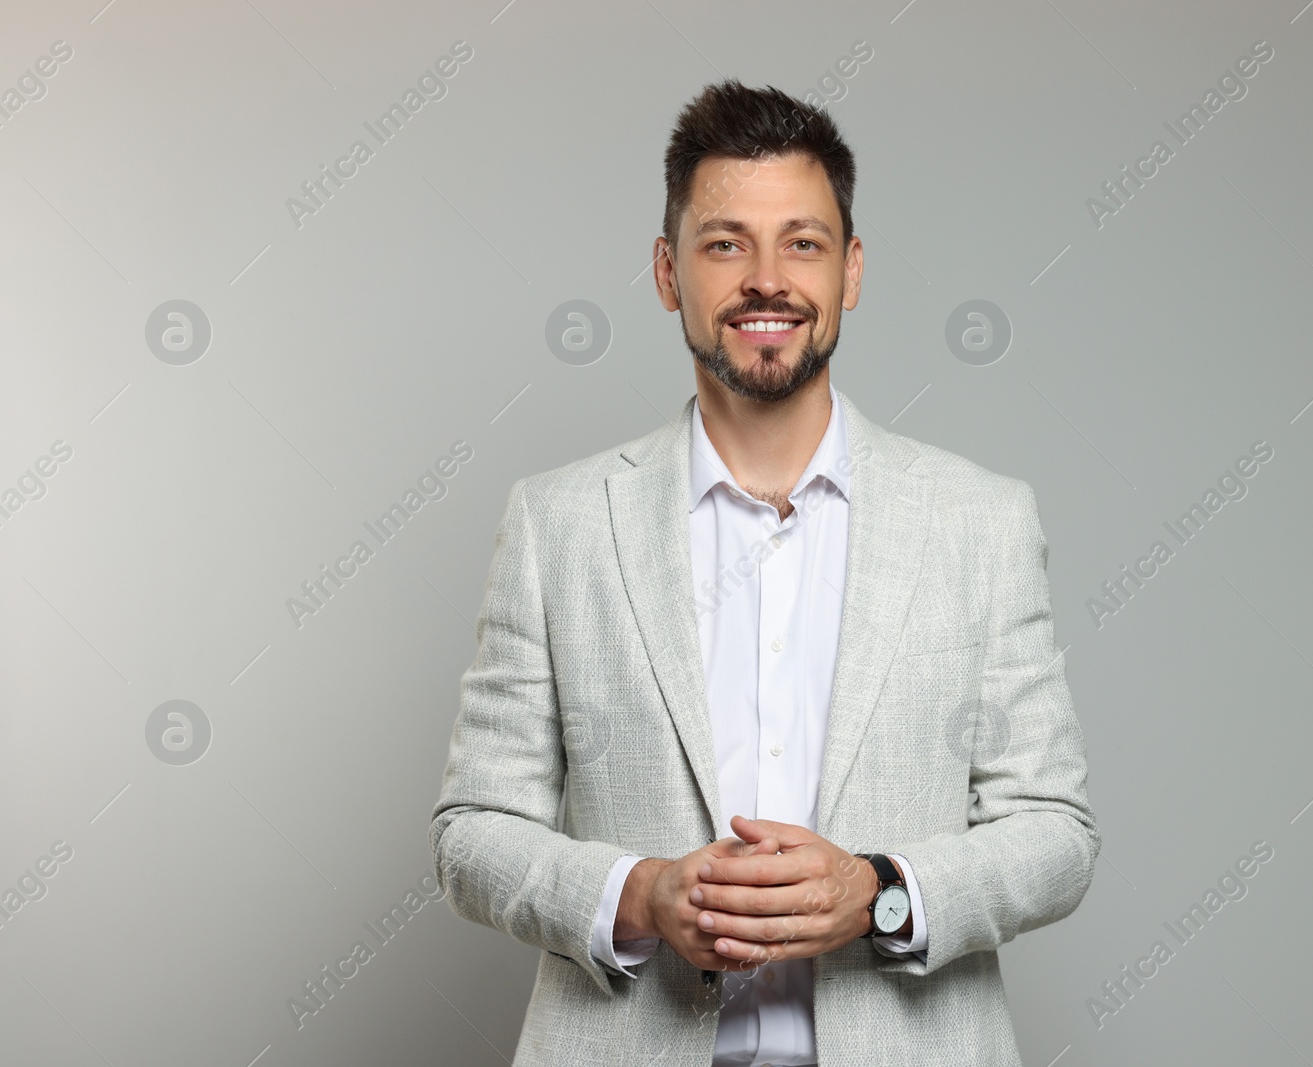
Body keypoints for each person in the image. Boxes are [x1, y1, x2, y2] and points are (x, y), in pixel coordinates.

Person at [431, 79, 1098, 1067]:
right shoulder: (558, 523)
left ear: (851, 269)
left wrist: (879, 887)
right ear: (667, 272)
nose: (766, 278)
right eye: (723, 242)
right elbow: (472, 831)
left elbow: (1054, 833)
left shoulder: (979, 522)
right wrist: (642, 892)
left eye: (802, 241)